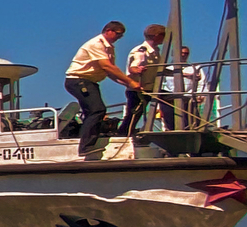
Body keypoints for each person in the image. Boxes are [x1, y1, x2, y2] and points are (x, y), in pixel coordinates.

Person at [64, 21, 135, 153]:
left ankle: (88, 142)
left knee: (92, 111)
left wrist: (126, 83)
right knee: (97, 110)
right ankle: (86, 146)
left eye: (122, 35)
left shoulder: (108, 48)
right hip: (78, 80)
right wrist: (130, 82)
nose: (119, 38)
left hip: (89, 81)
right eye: (118, 34)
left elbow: (109, 71)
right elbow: (107, 66)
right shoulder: (97, 44)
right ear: (109, 31)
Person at [122, 24, 174, 134]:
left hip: (151, 88)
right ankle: (124, 132)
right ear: (157, 36)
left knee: (171, 100)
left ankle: (173, 128)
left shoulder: (155, 51)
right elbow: (134, 66)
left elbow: (160, 69)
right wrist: (137, 70)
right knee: (134, 114)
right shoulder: (141, 51)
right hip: (138, 89)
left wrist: (183, 75)